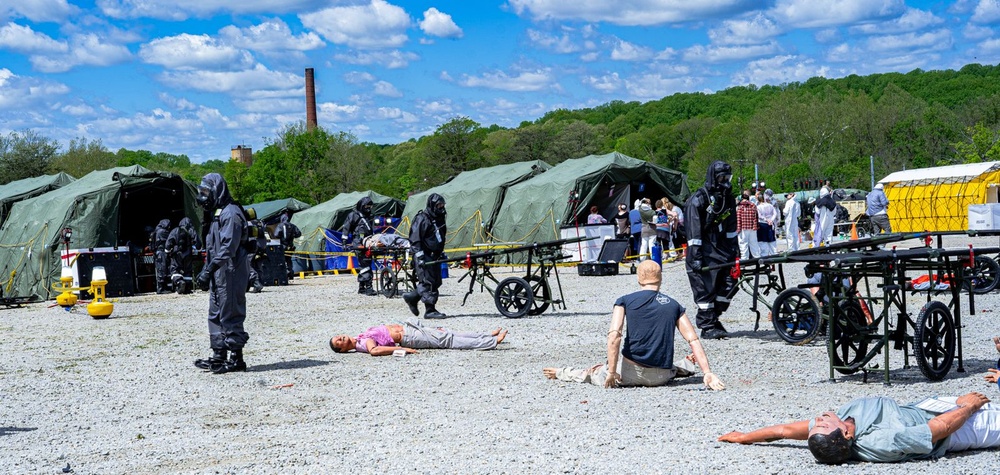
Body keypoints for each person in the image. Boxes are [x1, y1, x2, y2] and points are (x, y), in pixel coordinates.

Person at [543, 260, 725, 389]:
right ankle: (689, 365)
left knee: (592, 372)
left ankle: (561, 372)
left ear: (639, 279)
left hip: (629, 372)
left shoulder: (624, 301)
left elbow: (614, 336)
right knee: (672, 368)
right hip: (661, 377)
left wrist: (612, 372)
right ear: (660, 279)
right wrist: (707, 372)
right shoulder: (674, 305)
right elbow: (693, 339)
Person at [718, 392, 1000, 464]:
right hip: (961, 428)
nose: (819, 418)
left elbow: (782, 431)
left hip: (929, 406)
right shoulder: (881, 442)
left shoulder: (838, 427)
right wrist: (968, 406)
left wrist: (745, 437)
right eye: (823, 423)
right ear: (847, 435)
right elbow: (937, 429)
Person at [192, 173, 250, 374]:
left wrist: (209, 270)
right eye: (202, 191)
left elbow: (228, 247)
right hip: (218, 270)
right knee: (215, 310)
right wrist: (207, 269)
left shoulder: (231, 213)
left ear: (218, 190)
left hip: (231, 269)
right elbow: (212, 246)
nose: (203, 196)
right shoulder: (217, 213)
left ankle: (236, 357)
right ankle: (219, 354)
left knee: (231, 309)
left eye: (206, 191)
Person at [684, 160, 738, 339]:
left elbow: (731, 228)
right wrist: (696, 257)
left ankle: (714, 318)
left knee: (730, 284)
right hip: (704, 253)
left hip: (723, 251)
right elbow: (693, 232)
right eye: (722, 177)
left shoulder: (728, 199)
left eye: (727, 177)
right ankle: (707, 325)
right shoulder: (698, 199)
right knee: (705, 289)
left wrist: (735, 251)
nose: (725, 181)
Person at [329, 318, 507, 356]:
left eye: (338, 336)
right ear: (343, 349)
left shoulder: (360, 336)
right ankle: (491, 342)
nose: (341, 338)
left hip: (410, 328)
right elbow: (375, 350)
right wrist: (401, 348)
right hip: (410, 337)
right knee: (448, 340)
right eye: (339, 342)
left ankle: (485, 335)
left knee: (446, 332)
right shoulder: (362, 343)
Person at [404, 193, 448, 319]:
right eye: (438, 205)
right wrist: (420, 257)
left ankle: (412, 297)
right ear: (432, 205)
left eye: (442, 205)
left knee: (436, 281)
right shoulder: (422, 218)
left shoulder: (439, 217)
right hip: (424, 254)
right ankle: (430, 310)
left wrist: (439, 252)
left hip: (435, 255)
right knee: (428, 282)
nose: (441, 207)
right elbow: (415, 239)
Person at [341, 197, 377, 296]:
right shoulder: (353, 215)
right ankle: (369, 288)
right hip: (358, 242)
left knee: (365, 264)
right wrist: (344, 241)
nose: (369, 208)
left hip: (369, 241)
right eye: (366, 206)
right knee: (365, 263)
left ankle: (361, 287)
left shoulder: (370, 216)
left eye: (370, 206)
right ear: (362, 206)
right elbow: (346, 228)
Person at [165, 217, 196, 294]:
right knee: (187, 270)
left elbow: (169, 242)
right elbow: (198, 243)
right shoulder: (191, 230)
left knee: (175, 269)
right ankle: (187, 287)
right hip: (188, 253)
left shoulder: (175, 230)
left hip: (177, 253)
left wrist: (168, 250)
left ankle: (179, 282)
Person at [274, 212, 301, 279]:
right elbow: (299, 234)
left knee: (282, 260)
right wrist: (293, 235)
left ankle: (284, 274)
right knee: (289, 259)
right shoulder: (292, 225)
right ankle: (290, 273)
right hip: (290, 246)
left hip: (282, 246)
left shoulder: (280, 225)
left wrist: (281, 237)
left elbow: (276, 234)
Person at [736, 190, 759, 260]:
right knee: (754, 243)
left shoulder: (739, 207)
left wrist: (738, 229)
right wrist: (755, 226)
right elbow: (756, 217)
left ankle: (744, 258)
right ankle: (757, 257)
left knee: (743, 244)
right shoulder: (753, 205)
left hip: (743, 228)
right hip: (752, 228)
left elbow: (738, 219)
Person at [246, 217, 267, 293]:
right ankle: (259, 284)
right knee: (258, 267)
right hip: (262, 247)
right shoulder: (261, 222)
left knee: (248, 266)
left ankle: (256, 284)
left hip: (252, 246)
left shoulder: (248, 223)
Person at [150, 218, 172, 294]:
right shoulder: (162, 231)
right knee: (162, 270)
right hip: (161, 252)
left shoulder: (156, 231)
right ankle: (161, 288)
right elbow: (170, 239)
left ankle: (162, 287)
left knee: (161, 269)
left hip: (158, 252)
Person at [756, 192, 779, 257]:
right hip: (771, 224)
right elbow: (775, 213)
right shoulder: (770, 205)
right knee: (771, 239)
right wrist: (771, 220)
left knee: (763, 240)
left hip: (762, 224)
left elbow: (759, 216)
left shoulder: (758, 207)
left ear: (758, 200)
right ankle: (774, 253)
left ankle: (764, 254)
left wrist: (766, 220)